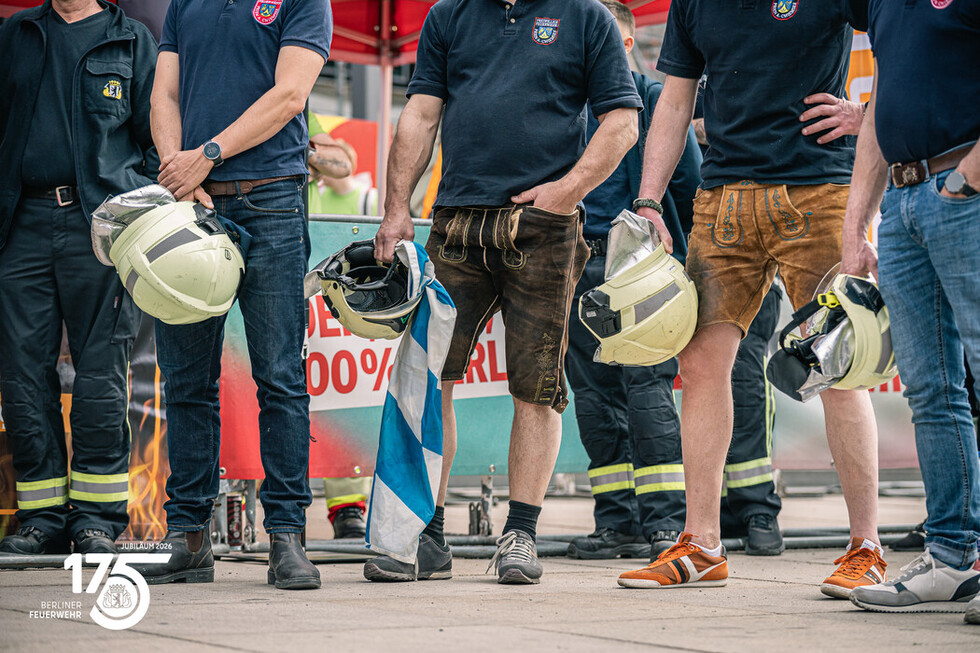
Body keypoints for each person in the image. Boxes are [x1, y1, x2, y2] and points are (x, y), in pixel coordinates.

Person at [366, 0, 642, 585]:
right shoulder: (448, 15)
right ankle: (426, 534)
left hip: (544, 227)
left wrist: (566, 192)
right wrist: (396, 208)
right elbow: (419, 115)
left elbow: (622, 123)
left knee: (536, 387)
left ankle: (520, 534)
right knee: (429, 375)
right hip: (455, 221)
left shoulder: (586, 15)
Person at [618, 0, 887, 597]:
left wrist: (868, 113)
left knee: (837, 368)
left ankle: (866, 547)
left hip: (819, 192)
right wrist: (648, 200)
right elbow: (675, 100)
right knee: (699, 365)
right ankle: (702, 544)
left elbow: (909, 38)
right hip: (723, 198)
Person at [132, 0, 332, 590]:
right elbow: (164, 96)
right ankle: (189, 537)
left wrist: (206, 155)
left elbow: (289, 96)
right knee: (185, 380)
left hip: (270, 200)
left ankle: (287, 536)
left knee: (279, 376)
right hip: (192, 203)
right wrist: (179, 171)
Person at [840, 0, 980, 619]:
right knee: (930, 391)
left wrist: (966, 179)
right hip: (902, 202)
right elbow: (879, 107)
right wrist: (857, 225)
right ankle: (952, 557)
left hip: (962, 190)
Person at [0, 0, 156, 555]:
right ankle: (41, 518)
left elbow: (155, 140)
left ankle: (97, 519)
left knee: (101, 373)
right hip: (21, 222)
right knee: (21, 372)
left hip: (103, 226)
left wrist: (138, 210)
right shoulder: (16, 34)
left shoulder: (132, 41)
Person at [564, 0, 702, 562]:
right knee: (596, 397)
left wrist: (678, 263)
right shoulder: (575, 100)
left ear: (625, 43)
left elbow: (689, 187)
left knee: (646, 392)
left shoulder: (650, 101)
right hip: (579, 266)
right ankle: (619, 520)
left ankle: (662, 522)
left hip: (635, 269)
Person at [306, 121, 375, 540]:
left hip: (327, 295)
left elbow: (341, 161)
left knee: (337, 392)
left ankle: (347, 506)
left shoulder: (356, 194)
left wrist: (302, 153)